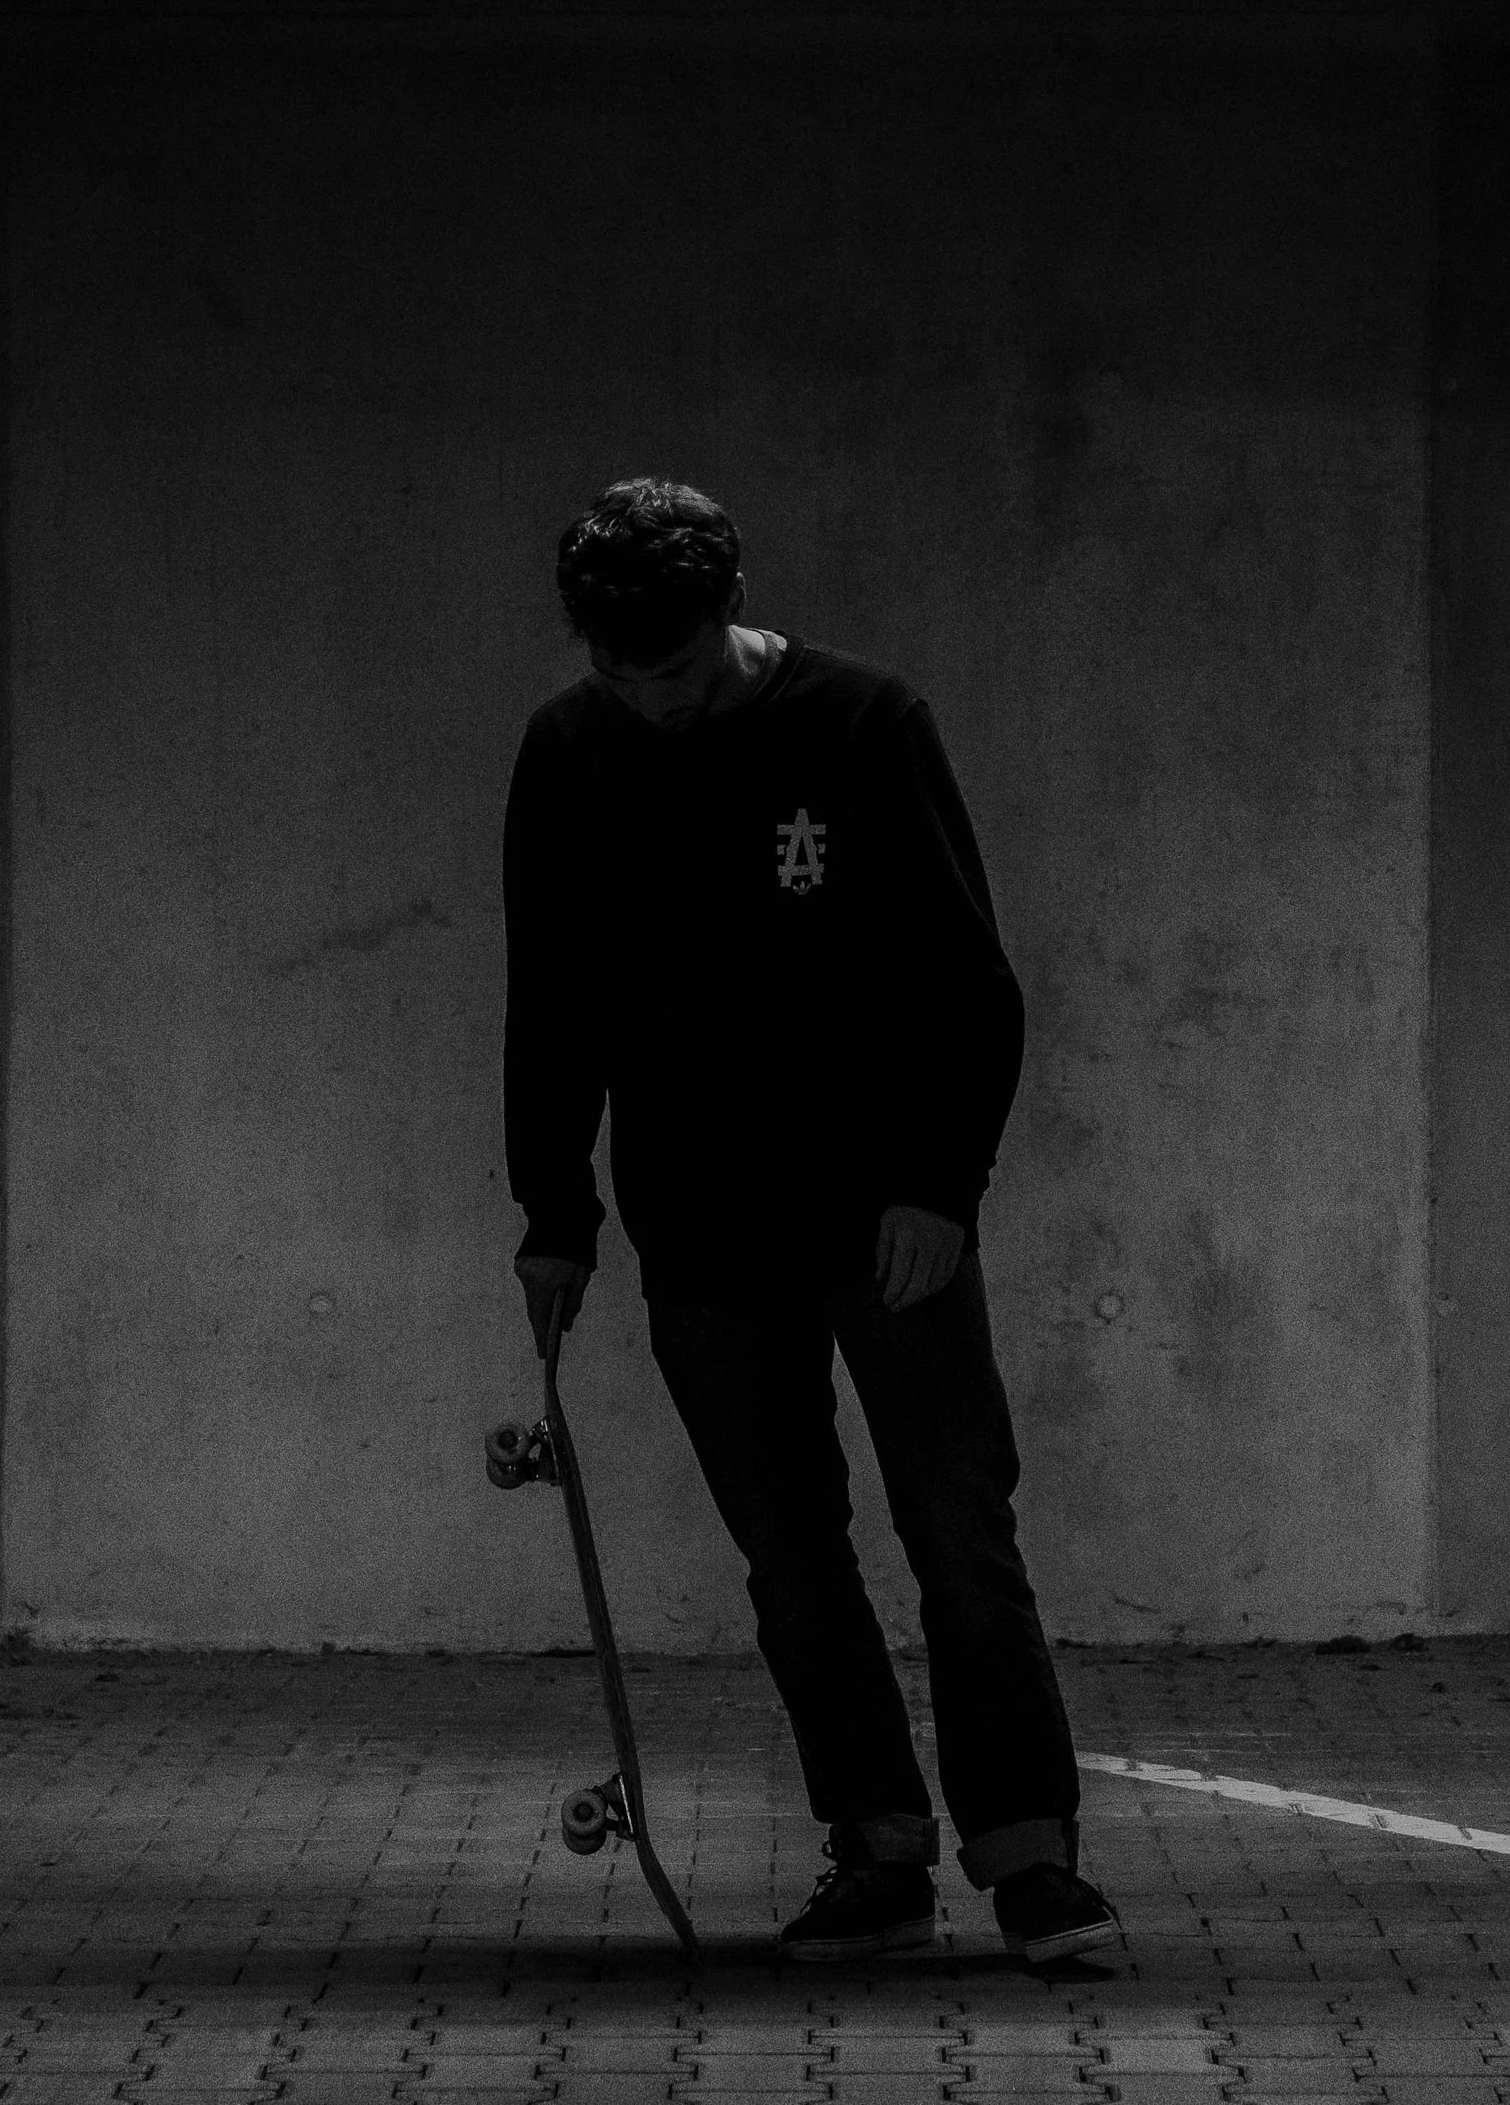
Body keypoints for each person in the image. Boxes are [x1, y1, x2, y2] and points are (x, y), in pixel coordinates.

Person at [501, 475, 1121, 1967]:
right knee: (791, 1556)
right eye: (617, 668)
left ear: (729, 615)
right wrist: (555, 1214)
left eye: (674, 667)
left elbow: (966, 984)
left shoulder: (865, 725)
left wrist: (937, 1189)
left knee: (959, 1531)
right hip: (699, 1225)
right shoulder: (571, 750)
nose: (647, 699)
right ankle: (882, 1854)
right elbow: (554, 1000)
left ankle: (1032, 1863)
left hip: (880, 1216)